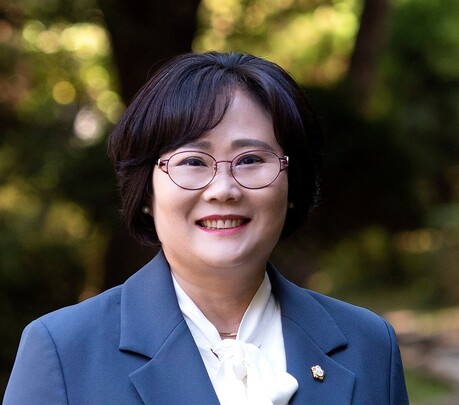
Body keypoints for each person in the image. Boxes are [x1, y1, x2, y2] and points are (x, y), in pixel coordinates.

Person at [4, 52, 409, 404]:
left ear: (292, 184)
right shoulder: (63, 350)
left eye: (251, 160)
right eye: (193, 162)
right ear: (146, 191)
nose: (223, 190)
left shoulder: (370, 344)